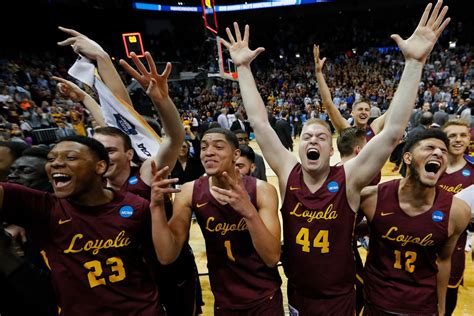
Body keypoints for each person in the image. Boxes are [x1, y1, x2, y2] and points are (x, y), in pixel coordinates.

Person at [222, 2, 450, 313]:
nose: (313, 140)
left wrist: (414, 62)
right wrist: (243, 69)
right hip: (298, 295)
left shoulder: (348, 177)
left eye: (322, 137)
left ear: (331, 150)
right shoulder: (288, 172)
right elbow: (260, 122)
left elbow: (393, 131)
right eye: (307, 136)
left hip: (339, 298)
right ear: (298, 146)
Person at [56, 30, 201, 315]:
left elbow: (172, 136)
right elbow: (111, 123)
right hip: (131, 276)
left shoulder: (146, 172)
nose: (102, 156)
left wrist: (102, 58)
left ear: (129, 154)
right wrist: (85, 97)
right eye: (98, 152)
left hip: (169, 269)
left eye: (109, 152)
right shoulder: (96, 184)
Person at [0, 136, 164, 315]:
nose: (56, 163)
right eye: (51, 159)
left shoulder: (136, 206)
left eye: (70, 157)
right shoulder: (44, 207)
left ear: (100, 166)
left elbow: (162, 265)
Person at [150, 128, 284, 314]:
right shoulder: (189, 191)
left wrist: (249, 212)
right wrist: (156, 207)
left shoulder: (262, 190)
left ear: (235, 154)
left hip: (264, 297)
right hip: (224, 300)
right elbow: (166, 255)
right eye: (204, 147)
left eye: (218, 147)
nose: (209, 152)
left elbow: (272, 258)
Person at [360, 129, 470, 315]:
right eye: (429, 147)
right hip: (377, 302)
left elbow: (443, 261)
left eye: (443, 151)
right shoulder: (371, 197)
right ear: (408, 157)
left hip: (422, 307)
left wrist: (441, 307)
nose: (438, 153)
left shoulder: (458, 211)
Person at [438, 119, 473, 315]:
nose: (458, 140)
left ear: (469, 138)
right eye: (452, 135)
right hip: (423, 244)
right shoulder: (428, 165)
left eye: (462, 135)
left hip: (454, 249)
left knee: (447, 300)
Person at [314, 46, 386, 141]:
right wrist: (318, 72)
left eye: (367, 110)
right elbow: (328, 103)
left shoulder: (373, 128)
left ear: (369, 113)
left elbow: (394, 109)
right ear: (352, 113)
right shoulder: (346, 129)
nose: (364, 112)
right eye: (360, 109)